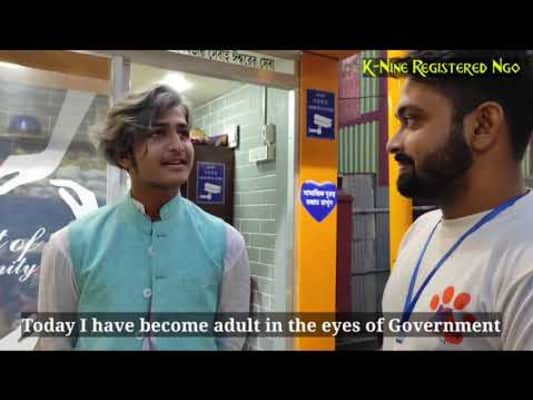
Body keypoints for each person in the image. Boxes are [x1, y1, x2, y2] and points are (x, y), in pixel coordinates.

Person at [36, 84, 250, 350]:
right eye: (157, 133)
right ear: (124, 155)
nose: (178, 146)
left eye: (183, 133)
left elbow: (230, 340)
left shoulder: (227, 243)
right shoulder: (69, 245)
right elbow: (55, 341)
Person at [382, 50, 533, 350]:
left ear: (482, 126)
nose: (392, 143)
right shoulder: (420, 231)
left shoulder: (525, 263)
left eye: (411, 120)